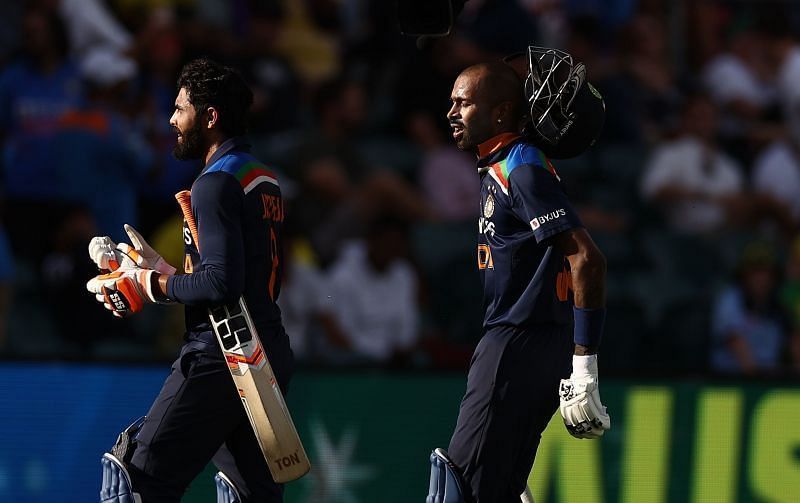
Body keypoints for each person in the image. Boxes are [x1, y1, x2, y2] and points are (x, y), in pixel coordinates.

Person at [86, 58, 294, 502]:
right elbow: (241, 276)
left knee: (135, 483)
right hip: (265, 351)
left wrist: (148, 284)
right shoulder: (262, 178)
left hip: (220, 357)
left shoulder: (215, 183)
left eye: (180, 109)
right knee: (250, 496)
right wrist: (163, 271)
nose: (171, 119)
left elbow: (221, 284)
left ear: (210, 117)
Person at [426, 55, 610, 502]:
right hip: (529, 346)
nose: (451, 113)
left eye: (463, 103)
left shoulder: (519, 168)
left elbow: (587, 259)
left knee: (456, 492)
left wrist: (584, 370)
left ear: (501, 112)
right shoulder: (508, 165)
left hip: (515, 345)